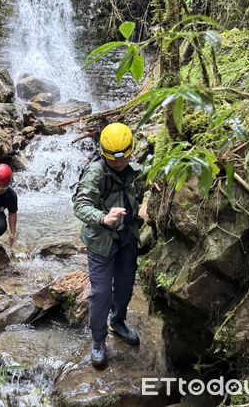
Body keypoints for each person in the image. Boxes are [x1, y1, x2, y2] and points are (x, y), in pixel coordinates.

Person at [73, 122, 147, 368]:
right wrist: (103, 218)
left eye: (123, 159)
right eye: (114, 161)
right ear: (104, 154)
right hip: (101, 242)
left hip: (127, 238)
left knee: (125, 286)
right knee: (100, 293)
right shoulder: (96, 172)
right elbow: (80, 205)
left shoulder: (136, 170)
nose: (119, 164)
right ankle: (98, 340)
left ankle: (118, 322)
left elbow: (142, 193)